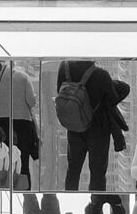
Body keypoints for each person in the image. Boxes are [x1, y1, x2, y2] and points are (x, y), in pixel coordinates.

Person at [55, 62, 128, 193]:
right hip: (98, 128)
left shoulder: (64, 67)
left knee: (73, 170)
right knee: (97, 173)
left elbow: (59, 91)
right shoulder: (101, 75)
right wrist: (115, 85)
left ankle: (71, 198)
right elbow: (112, 99)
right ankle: (95, 200)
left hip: (74, 126)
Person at [0, 62, 39, 189]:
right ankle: (23, 193)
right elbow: (31, 102)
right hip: (22, 126)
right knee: (22, 164)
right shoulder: (23, 77)